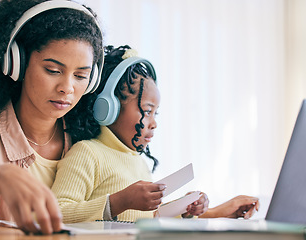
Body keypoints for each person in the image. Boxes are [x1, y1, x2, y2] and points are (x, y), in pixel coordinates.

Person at [51, 45, 260, 223]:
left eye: (155, 113)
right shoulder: (87, 153)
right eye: (148, 110)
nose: (154, 123)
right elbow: (57, 212)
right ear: (108, 108)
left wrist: (184, 209)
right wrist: (120, 201)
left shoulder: (138, 163)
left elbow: (147, 220)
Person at [0, 0, 103, 235]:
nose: (67, 88)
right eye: (53, 71)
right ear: (15, 63)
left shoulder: (90, 141)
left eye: (81, 75)